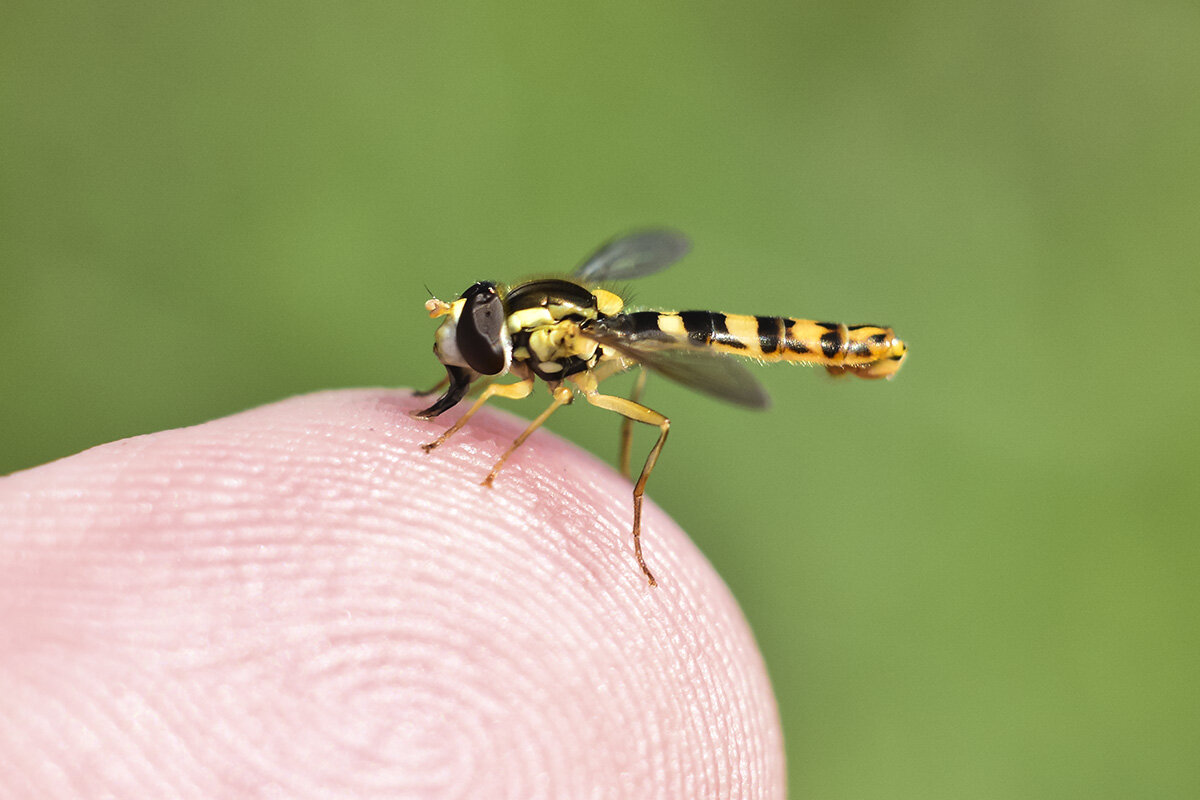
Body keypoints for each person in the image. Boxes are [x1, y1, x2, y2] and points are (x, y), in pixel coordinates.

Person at [0, 389, 784, 798]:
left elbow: (545, 399)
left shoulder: (553, 366)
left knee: (650, 415)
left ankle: (630, 509)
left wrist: (487, 455)